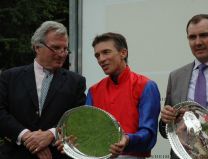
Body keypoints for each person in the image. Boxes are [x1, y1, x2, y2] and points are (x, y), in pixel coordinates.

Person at [0, 21, 86, 159]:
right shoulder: (10, 77)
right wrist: (26, 136)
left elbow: (78, 118)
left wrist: (51, 134)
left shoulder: (76, 82)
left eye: (65, 49)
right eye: (56, 48)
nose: (62, 54)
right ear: (37, 47)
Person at [159, 14, 208, 159]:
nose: (198, 42)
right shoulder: (176, 77)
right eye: (192, 37)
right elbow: (166, 131)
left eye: (204, 35)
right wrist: (165, 119)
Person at [85, 32, 161, 158]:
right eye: (97, 55)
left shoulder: (146, 85)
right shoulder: (93, 90)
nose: (101, 59)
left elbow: (149, 134)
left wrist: (128, 139)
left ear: (123, 53)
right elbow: (87, 132)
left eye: (106, 52)